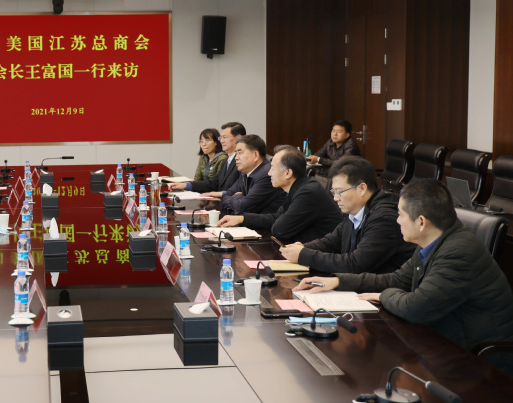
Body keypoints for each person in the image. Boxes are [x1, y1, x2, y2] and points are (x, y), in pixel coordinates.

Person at [294, 179, 513, 367]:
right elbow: (398, 279)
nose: (397, 220)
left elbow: (415, 307)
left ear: (421, 222)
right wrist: (338, 281)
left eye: (400, 215)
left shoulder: (458, 252)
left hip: (479, 363)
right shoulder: (433, 239)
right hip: (443, 342)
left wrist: (383, 296)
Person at [280, 156, 416, 273]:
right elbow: (330, 242)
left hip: (382, 292)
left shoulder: (384, 218)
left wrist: (304, 255)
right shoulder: (354, 209)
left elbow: (355, 264)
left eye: (340, 192)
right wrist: (302, 248)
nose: (335, 198)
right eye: (334, 192)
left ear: (362, 188)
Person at [217, 145, 342, 243]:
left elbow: (279, 230)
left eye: (272, 168)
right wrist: (242, 218)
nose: (269, 173)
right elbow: (276, 217)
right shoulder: (298, 187)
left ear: (288, 173)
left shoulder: (307, 192)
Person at [167, 122, 243, 197]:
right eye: (221, 138)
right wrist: (185, 185)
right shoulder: (226, 161)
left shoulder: (242, 161)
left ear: (238, 138)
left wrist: (216, 194)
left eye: (225, 137)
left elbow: (242, 191)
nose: (221, 141)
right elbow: (212, 183)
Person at [220, 134, 286, 214]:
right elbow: (226, 196)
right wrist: (239, 201)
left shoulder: (267, 175)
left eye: (240, 153)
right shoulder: (245, 173)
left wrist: (236, 196)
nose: (236, 158)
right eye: (236, 153)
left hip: (267, 221)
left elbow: (244, 207)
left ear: (255, 155)